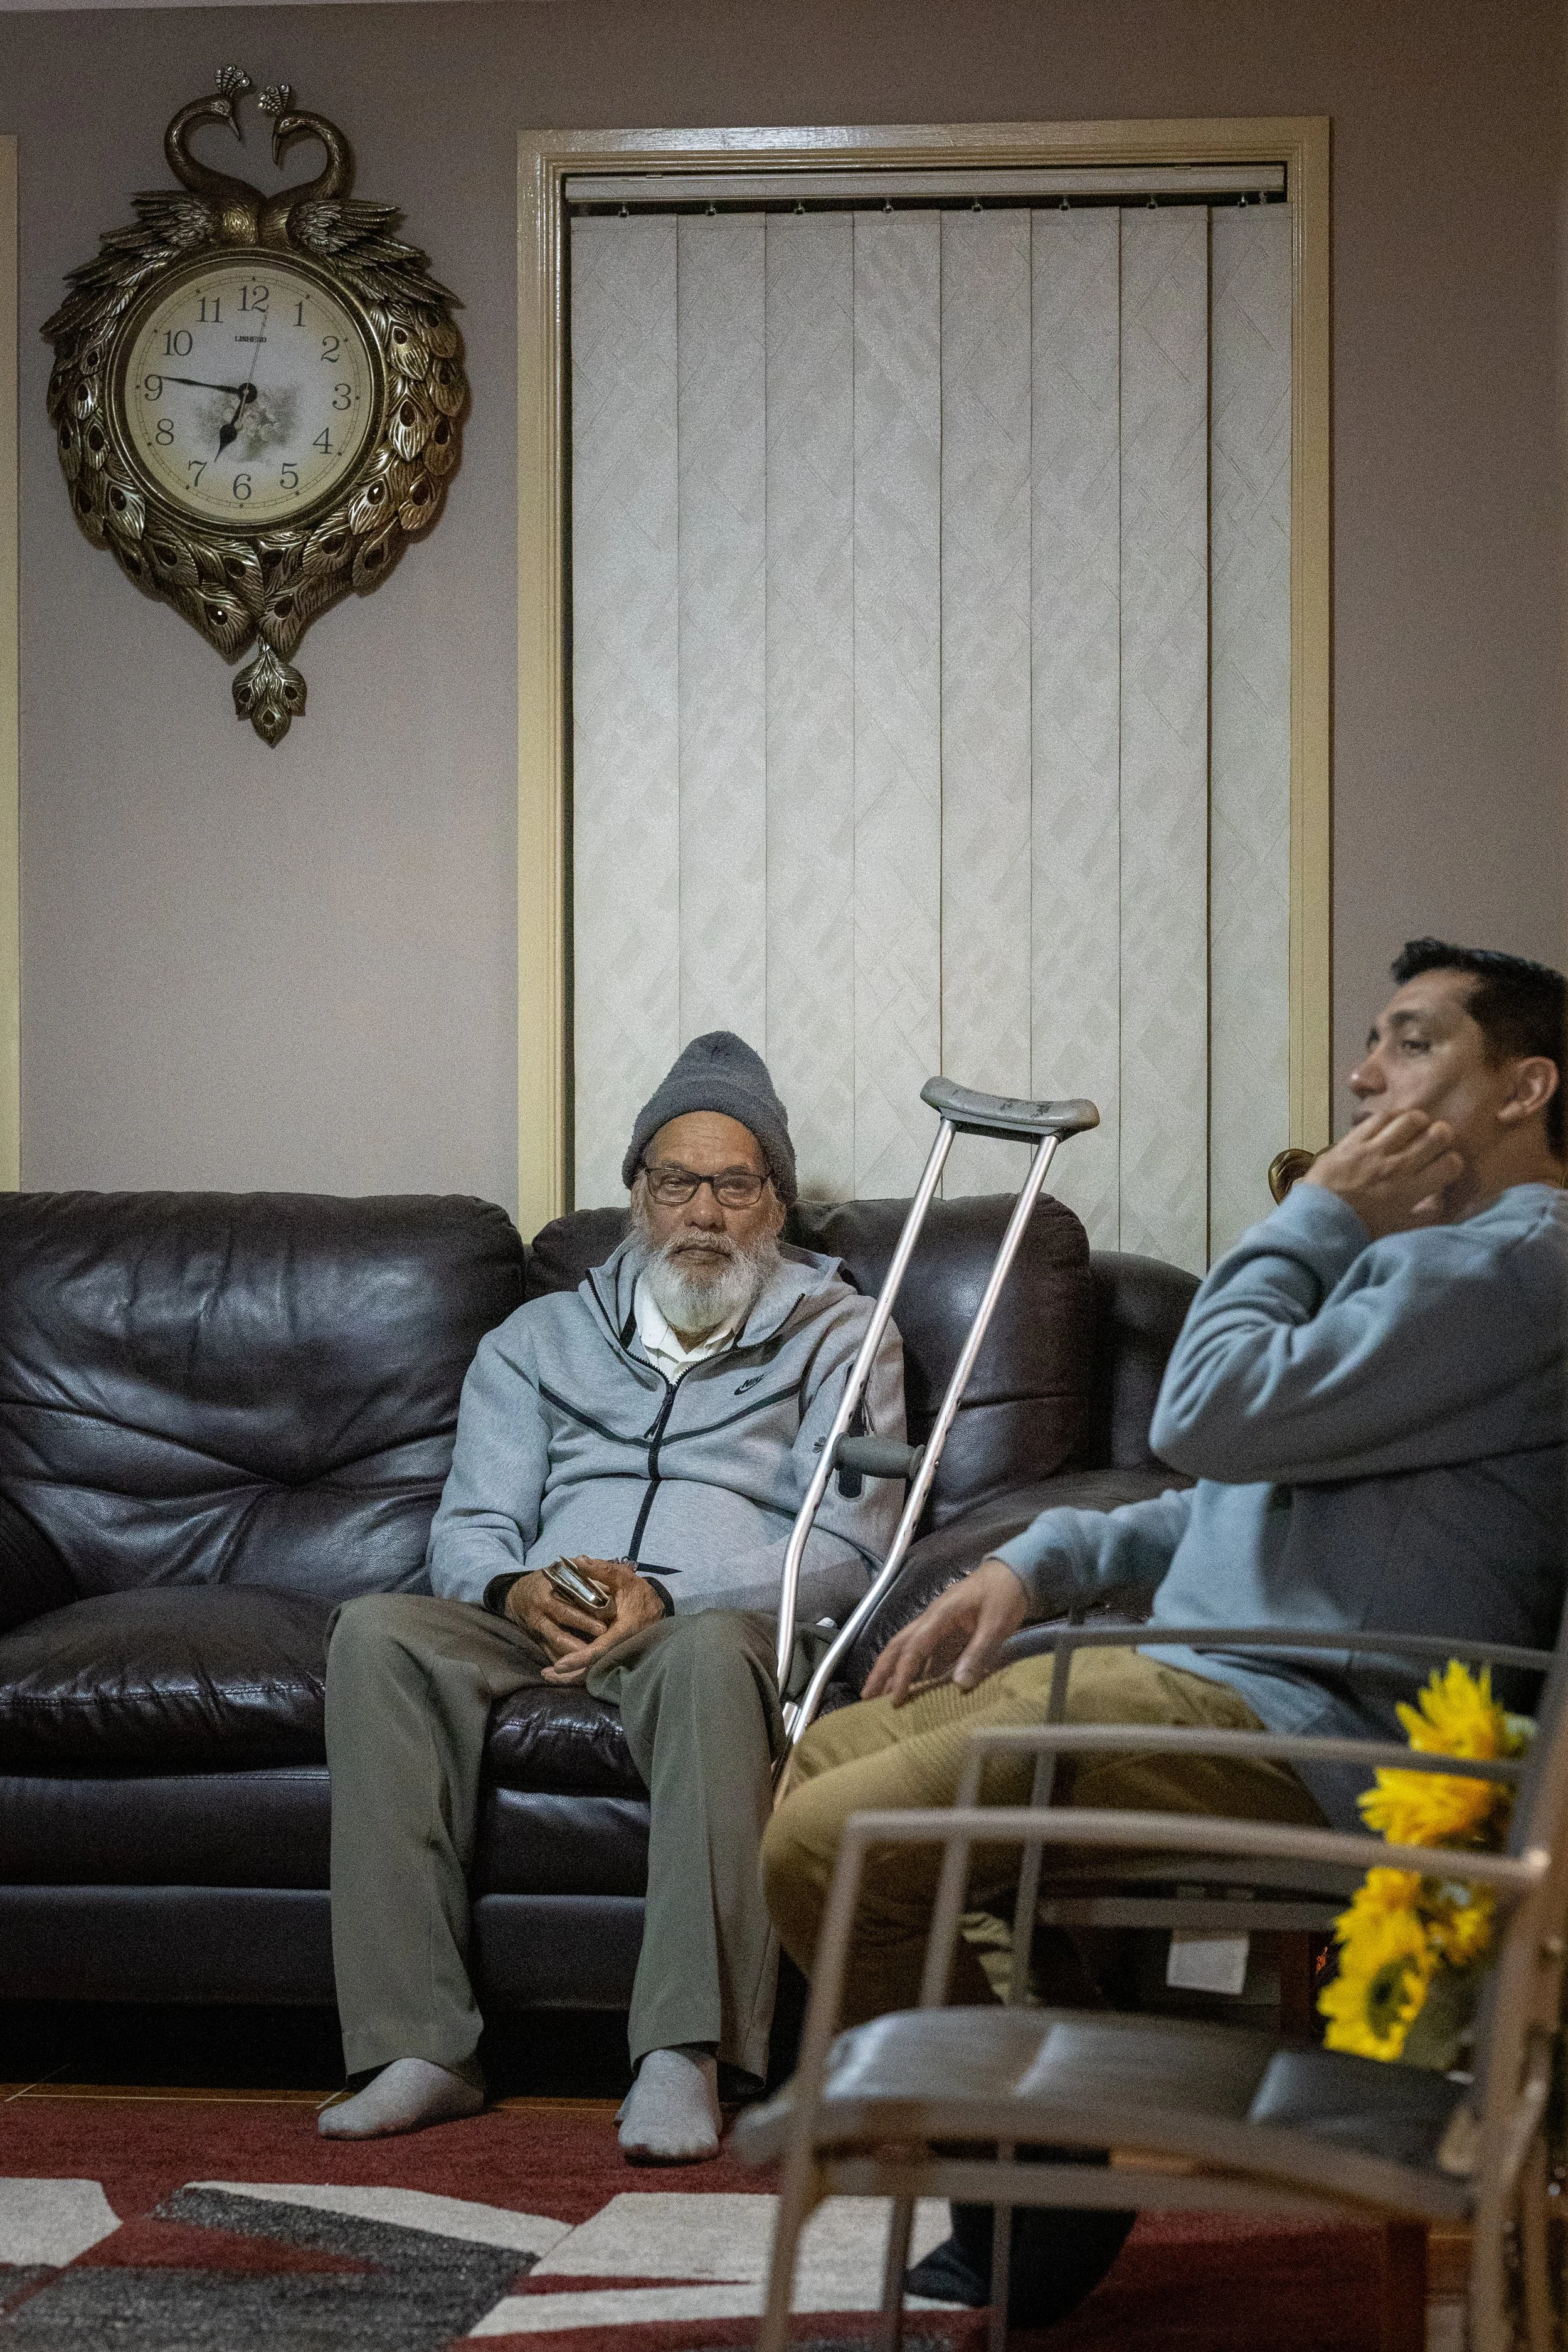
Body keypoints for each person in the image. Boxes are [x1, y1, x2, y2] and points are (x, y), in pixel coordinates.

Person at [762, 938, 1567, 2319]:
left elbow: (1198, 1412)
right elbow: (1236, 1490)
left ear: (1522, 1086)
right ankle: (1035, 2124)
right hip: (1218, 1681)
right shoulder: (1440, 1270)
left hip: (1315, 1721)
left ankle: (1026, 2162)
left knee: (830, 1846)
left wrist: (1309, 1214)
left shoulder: (1514, 1271)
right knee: (827, 1763)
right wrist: (1044, 1561)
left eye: (1411, 1042)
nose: (1364, 1075)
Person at [320, 1031, 904, 2160]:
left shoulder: (843, 1335)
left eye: (735, 1183)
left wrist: (674, 1592)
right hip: (541, 1607)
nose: (704, 1211)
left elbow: (849, 1539)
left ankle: (682, 2054)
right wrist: (513, 1582)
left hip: (698, 1619)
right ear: (637, 1195)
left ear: (775, 1204)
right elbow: (472, 1525)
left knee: (706, 1655)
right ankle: (419, 2046)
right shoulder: (534, 1338)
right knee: (377, 1634)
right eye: (677, 1180)